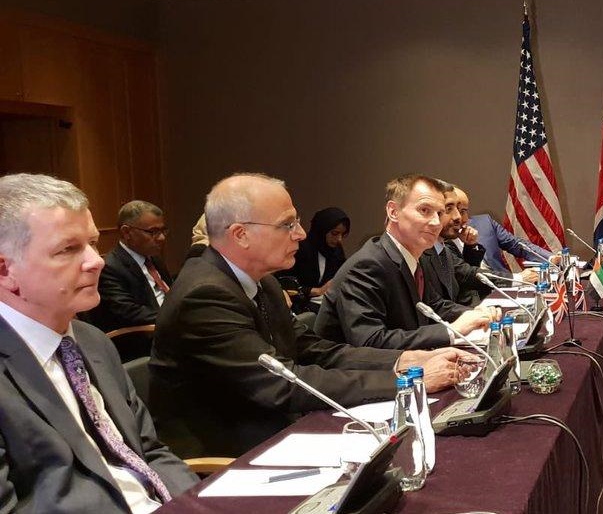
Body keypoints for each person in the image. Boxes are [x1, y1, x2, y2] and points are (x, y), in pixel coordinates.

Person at [150, 174, 468, 458]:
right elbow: (280, 384)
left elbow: (315, 350)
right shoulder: (204, 295)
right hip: (228, 453)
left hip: (276, 427)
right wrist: (404, 381)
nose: (301, 234)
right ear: (240, 234)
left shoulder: (264, 281)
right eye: (287, 225)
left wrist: (406, 361)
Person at [0, 174, 197, 512]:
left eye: (92, 243)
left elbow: (149, 452)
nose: (97, 261)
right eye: (68, 249)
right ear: (6, 271)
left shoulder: (92, 341)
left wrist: (203, 505)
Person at [314, 174, 496, 350]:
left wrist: (474, 314)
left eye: (440, 213)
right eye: (424, 210)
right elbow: (371, 341)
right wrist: (452, 331)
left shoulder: (418, 256)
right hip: (352, 368)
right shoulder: (367, 265)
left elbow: (434, 305)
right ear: (393, 212)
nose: (436, 222)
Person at [90, 200, 172, 331]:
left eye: (163, 230)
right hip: (143, 334)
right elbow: (131, 313)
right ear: (126, 232)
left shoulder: (153, 257)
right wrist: (177, 318)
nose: (161, 238)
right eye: (153, 232)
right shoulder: (110, 267)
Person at [276, 207, 350, 314]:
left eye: (343, 234)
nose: (339, 239)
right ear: (322, 230)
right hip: (294, 307)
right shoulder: (299, 248)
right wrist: (316, 291)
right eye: (334, 233)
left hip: (322, 306)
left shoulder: (336, 251)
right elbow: (283, 283)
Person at [463, 190, 554, 273]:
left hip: (504, 282)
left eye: (463, 210)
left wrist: (552, 259)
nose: (459, 216)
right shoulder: (453, 240)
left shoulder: (484, 222)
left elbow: (517, 244)